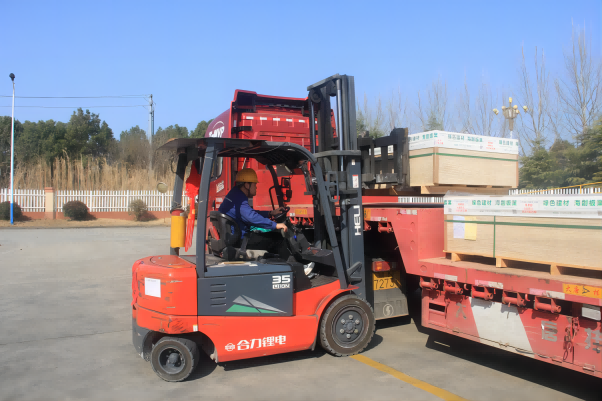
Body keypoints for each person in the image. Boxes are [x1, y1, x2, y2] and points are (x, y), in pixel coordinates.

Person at [218, 168, 292, 260]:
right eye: (254, 184)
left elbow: (248, 213)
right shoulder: (239, 199)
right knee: (278, 239)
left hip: (235, 237)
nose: (256, 187)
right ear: (247, 185)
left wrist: (270, 213)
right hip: (241, 239)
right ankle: (289, 265)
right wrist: (275, 225)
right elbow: (252, 218)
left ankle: (272, 262)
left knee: (271, 237)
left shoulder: (235, 194)